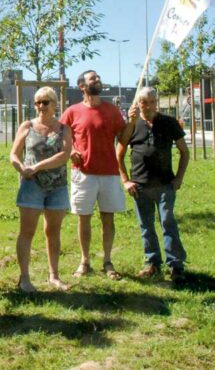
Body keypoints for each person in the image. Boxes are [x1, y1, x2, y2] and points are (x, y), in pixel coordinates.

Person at [60, 70, 132, 280]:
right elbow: (61, 136)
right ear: (82, 86)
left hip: (109, 173)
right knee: (84, 219)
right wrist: (71, 150)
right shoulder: (72, 111)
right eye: (93, 78)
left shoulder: (112, 110)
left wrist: (133, 122)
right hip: (83, 174)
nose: (98, 80)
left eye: (98, 77)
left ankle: (107, 261)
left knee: (107, 218)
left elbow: (123, 138)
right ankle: (84, 261)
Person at [117, 87, 190, 284]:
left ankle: (176, 265)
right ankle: (152, 263)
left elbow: (184, 152)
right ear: (137, 104)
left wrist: (179, 178)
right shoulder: (132, 125)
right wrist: (125, 180)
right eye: (143, 102)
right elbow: (119, 153)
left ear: (156, 103)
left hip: (165, 184)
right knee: (146, 225)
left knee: (168, 222)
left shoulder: (168, 122)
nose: (148, 106)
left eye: (151, 102)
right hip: (140, 185)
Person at [9, 87, 72, 292]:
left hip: (57, 187)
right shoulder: (27, 126)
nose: (41, 106)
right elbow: (14, 154)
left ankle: (54, 276)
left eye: (45, 102)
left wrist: (37, 167)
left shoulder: (63, 129)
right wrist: (21, 168)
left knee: (53, 231)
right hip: (31, 186)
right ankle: (24, 278)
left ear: (55, 104)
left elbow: (64, 154)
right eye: (37, 102)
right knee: (27, 232)